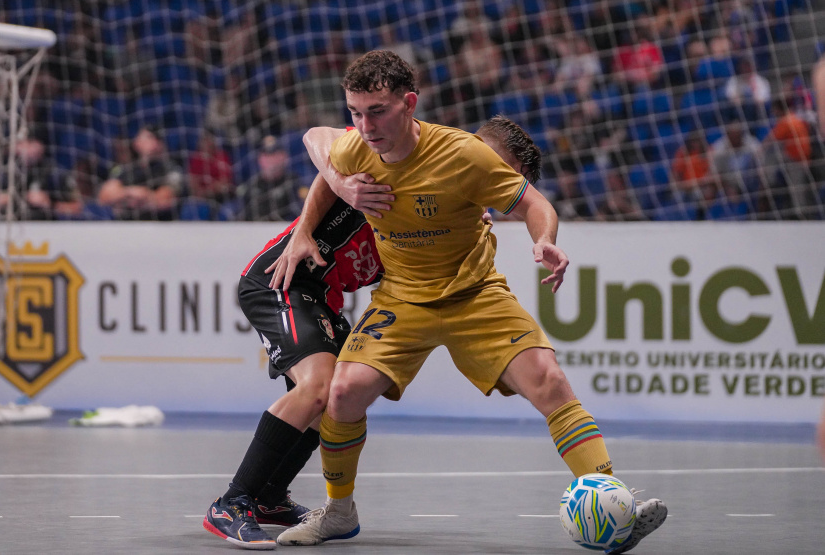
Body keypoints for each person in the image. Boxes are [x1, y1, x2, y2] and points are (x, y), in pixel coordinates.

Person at [272, 50, 666, 553]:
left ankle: (613, 499)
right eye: (355, 112)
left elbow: (534, 203)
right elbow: (319, 154)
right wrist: (323, 209)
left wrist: (543, 240)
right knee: (344, 393)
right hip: (403, 300)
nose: (365, 125)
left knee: (549, 380)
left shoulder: (462, 154)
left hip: (474, 296)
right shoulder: (355, 151)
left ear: (409, 104)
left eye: (377, 111)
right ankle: (339, 511)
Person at [203, 116, 546, 550]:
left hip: (325, 296)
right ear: (476, 149)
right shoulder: (401, 156)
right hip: (284, 280)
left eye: (510, 183)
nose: (498, 187)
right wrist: (335, 192)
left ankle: (270, 496)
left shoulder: (460, 220)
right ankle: (232, 502)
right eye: (503, 170)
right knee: (319, 386)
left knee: (342, 392)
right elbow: (318, 138)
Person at [96, 125, 185, 220]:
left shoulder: (171, 169)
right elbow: (104, 197)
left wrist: (137, 196)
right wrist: (131, 192)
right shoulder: (126, 169)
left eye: (155, 138)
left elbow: (164, 200)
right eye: (147, 137)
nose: (152, 142)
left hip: (161, 225)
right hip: (125, 225)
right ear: (136, 142)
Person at [230, 135, 307, 222]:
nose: (271, 160)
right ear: (260, 159)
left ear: (284, 157)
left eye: (275, 154)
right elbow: (241, 214)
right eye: (267, 155)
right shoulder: (252, 184)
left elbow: (301, 210)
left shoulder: (294, 181)